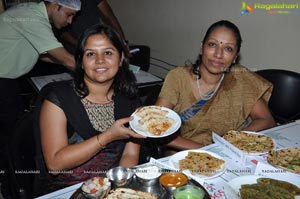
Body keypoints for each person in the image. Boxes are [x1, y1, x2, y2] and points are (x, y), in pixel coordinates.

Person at [34, 24, 145, 196]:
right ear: (81, 61)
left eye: (108, 53)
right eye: (91, 54)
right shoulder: (59, 98)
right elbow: (55, 165)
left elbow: (130, 154)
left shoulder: (130, 100)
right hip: (66, 190)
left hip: (110, 186)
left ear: (121, 58)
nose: (100, 60)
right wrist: (108, 136)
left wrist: (121, 189)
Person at [0, 0, 80, 197]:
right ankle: (11, 185)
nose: (70, 22)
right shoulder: (34, 19)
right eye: (69, 14)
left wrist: (74, 61)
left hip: (8, 79)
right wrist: (100, 72)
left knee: (12, 131)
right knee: (10, 137)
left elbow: (45, 54)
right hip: (2, 81)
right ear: (55, 5)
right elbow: (63, 58)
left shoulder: (32, 14)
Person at [155, 20, 276, 150]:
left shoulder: (241, 78)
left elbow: (266, 120)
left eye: (228, 49)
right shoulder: (178, 77)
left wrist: (235, 140)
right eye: (212, 45)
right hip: (186, 154)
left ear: (235, 56)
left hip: (230, 152)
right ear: (202, 48)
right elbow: (155, 127)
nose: (218, 54)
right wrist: (211, 151)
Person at [58, 0, 130, 55]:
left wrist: (123, 41)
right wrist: (79, 44)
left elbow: (109, 15)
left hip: (97, 44)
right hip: (74, 48)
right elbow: (60, 29)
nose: (69, 21)